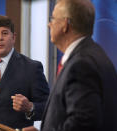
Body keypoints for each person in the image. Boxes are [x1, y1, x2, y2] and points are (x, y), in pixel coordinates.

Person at [23, 0, 117, 131]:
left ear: (65, 24)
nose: (49, 24)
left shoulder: (81, 65)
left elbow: (82, 124)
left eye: (53, 18)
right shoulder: (94, 55)